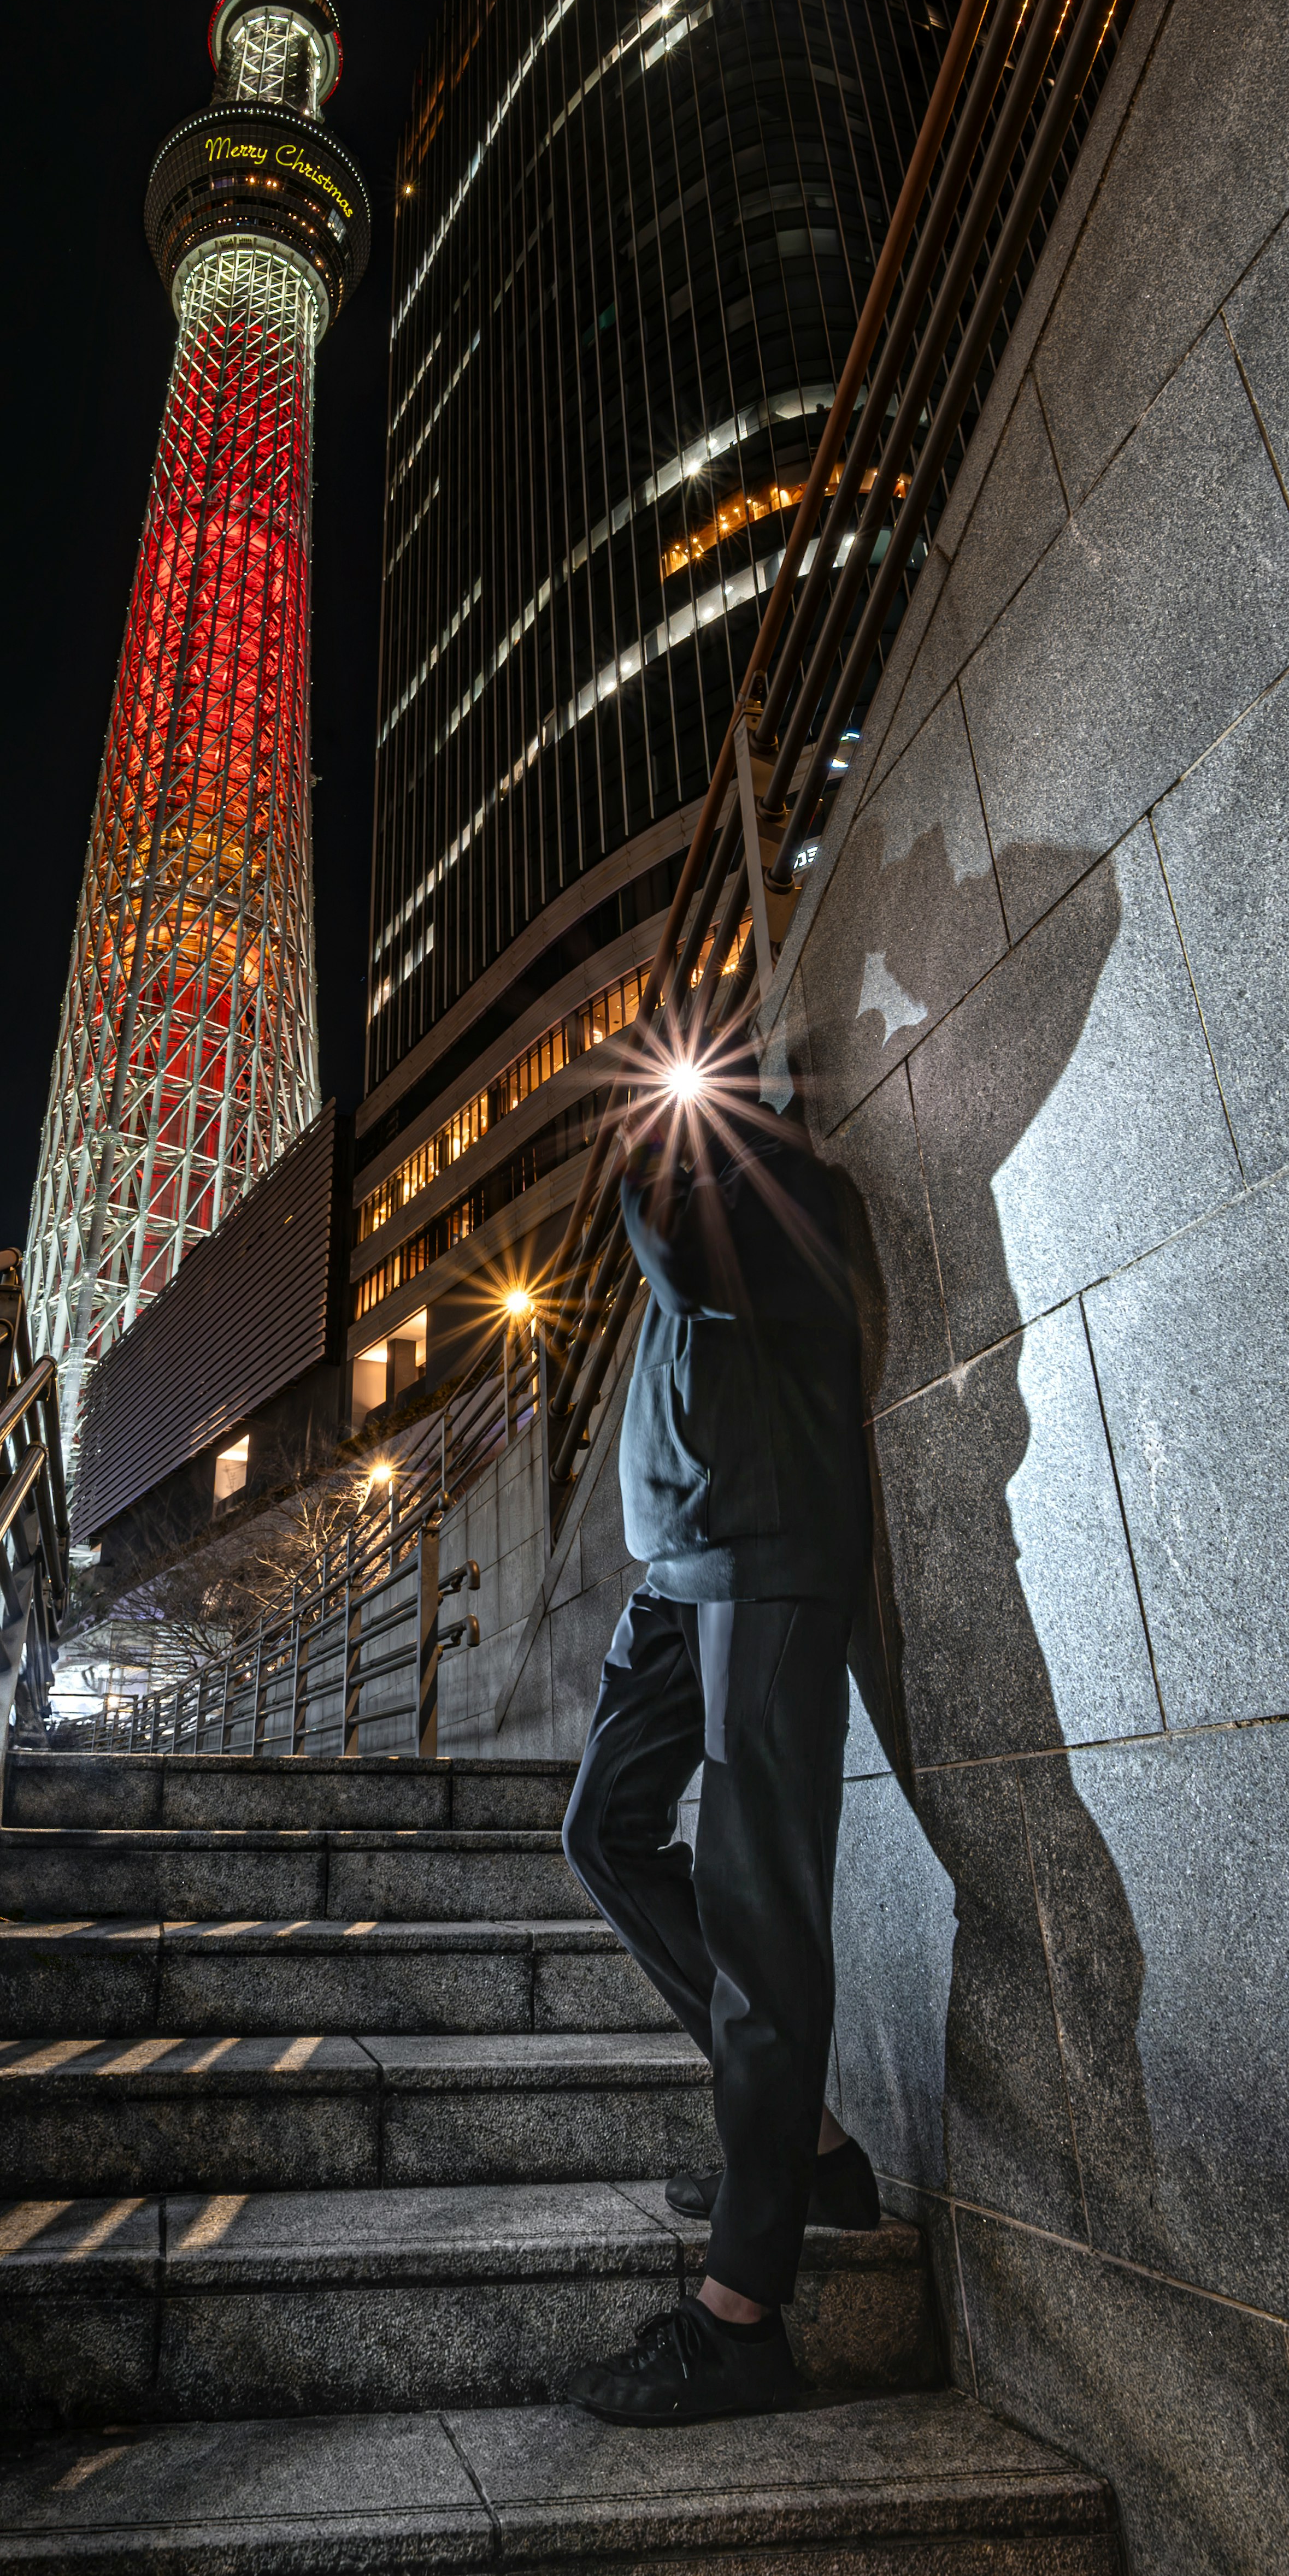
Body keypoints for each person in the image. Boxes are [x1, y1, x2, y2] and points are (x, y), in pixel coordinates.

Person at [555, 1037, 877, 2423]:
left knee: (760, 1917)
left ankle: (744, 2312)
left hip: (771, 1567)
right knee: (603, 1833)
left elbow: (685, 1254)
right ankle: (803, 2143)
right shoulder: (716, 1196)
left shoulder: (792, 1195)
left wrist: (660, 1143)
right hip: (683, 1568)